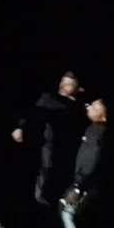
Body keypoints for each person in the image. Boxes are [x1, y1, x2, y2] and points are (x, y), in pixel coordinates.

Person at [13, 72, 88, 208]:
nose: (63, 86)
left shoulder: (80, 107)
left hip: (69, 151)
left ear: (78, 89)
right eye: (62, 82)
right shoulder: (49, 98)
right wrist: (20, 127)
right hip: (47, 145)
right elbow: (32, 112)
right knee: (44, 171)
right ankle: (38, 201)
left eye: (69, 84)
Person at [56, 98, 108, 228]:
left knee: (67, 212)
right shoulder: (95, 130)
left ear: (102, 114)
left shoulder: (96, 132)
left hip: (86, 182)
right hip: (88, 181)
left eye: (94, 107)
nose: (89, 107)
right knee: (68, 210)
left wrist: (78, 187)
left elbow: (92, 158)